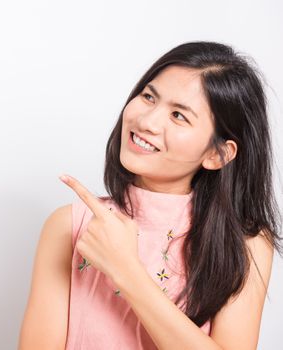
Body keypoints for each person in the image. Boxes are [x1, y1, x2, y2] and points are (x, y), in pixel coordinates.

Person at [18, 41, 282, 349]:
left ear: (217, 154)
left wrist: (126, 269)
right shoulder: (69, 226)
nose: (147, 122)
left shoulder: (244, 243)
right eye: (148, 97)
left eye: (179, 116)